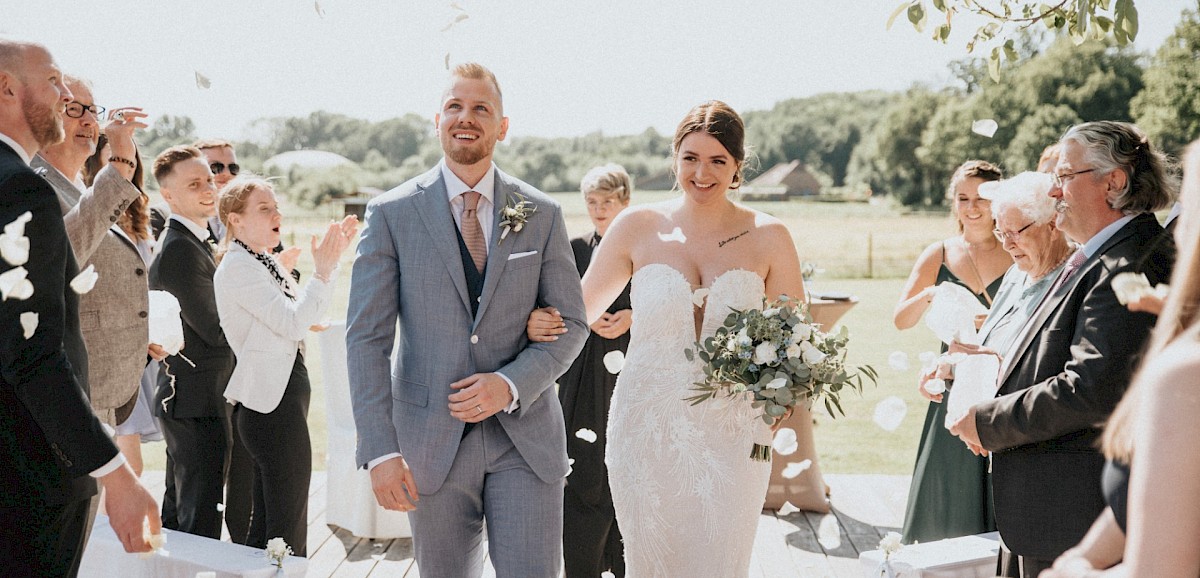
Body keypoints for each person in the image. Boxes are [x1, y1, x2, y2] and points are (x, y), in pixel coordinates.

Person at [346, 62, 588, 577]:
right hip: (429, 444)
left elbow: (572, 322)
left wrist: (509, 383)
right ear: (437, 120)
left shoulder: (541, 212)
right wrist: (380, 451)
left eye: (482, 108)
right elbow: (366, 340)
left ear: (502, 126)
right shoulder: (390, 214)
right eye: (455, 106)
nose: (466, 117)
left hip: (525, 441)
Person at [578, 101, 805, 577]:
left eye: (718, 160)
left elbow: (796, 339)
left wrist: (786, 393)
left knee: (722, 564)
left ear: (738, 165)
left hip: (737, 431)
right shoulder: (636, 227)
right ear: (675, 157)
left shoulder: (770, 236)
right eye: (691, 158)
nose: (702, 173)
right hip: (646, 430)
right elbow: (577, 311)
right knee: (650, 562)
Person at [948, 121, 1176, 578]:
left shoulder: (1126, 263)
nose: (1052, 192)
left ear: (1114, 181)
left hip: (1074, 517)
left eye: (1064, 177)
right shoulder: (1101, 253)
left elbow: (1091, 389)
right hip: (1045, 512)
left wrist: (987, 421)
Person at [0, 37, 158, 576]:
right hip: (31, 458)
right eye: (56, 83)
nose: (68, 95)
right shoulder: (20, 188)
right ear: (7, 88)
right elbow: (30, 352)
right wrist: (113, 472)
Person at [1041, 140, 1200, 578]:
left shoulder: (1187, 374)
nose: (1175, 225)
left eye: (1189, 206)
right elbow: (1163, 491)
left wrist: (1073, 571)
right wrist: (1088, 554)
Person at [215, 177, 356, 556]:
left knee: (267, 530)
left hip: (280, 403)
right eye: (264, 208)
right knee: (286, 527)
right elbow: (295, 321)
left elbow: (306, 315)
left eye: (276, 206)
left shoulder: (260, 262)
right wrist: (323, 270)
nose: (276, 214)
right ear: (235, 220)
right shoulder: (239, 267)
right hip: (270, 409)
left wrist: (331, 261)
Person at [892, 159, 1011, 543]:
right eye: (963, 197)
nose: (972, 207)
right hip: (953, 386)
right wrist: (931, 294)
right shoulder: (938, 254)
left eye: (982, 198)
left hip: (1005, 384)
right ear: (952, 202)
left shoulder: (1017, 249)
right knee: (948, 490)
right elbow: (901, 320)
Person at [528, 164, 633, 577]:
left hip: (631, 365)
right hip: (583, 368)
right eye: (592, 202)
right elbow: (554, 299)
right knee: (582, 460)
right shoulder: (574, 247)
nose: (599, 209)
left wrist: (632, 317)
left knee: (626, 460)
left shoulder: (642, 247)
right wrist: (585, 318)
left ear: (625, 200)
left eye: (608, 201)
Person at [149, 145, 237, 539]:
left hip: (199, 398)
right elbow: (217, 330)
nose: (209, 188)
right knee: (198, 521)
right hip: (194, 402)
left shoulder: (197, 241)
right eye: (195, 184)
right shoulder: (180, 251)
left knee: (183, 515)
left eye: (209, 180)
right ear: (169, 196)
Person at [82, 135, 165, 479]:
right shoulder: (88, 211)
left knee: (132, 466)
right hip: (108, 351)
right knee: (120, 465)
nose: (124, 167)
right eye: (114, 158)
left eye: (129, 161)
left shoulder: (143, 215)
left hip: (142, 351)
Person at [192, 137, 256, 545]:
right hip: (206, 380)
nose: (226, 175)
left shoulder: (252, 218)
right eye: (216, 168)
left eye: (232, 167)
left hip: (251, 374)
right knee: (200, 489)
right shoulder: (180, 231)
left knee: (248, 475)